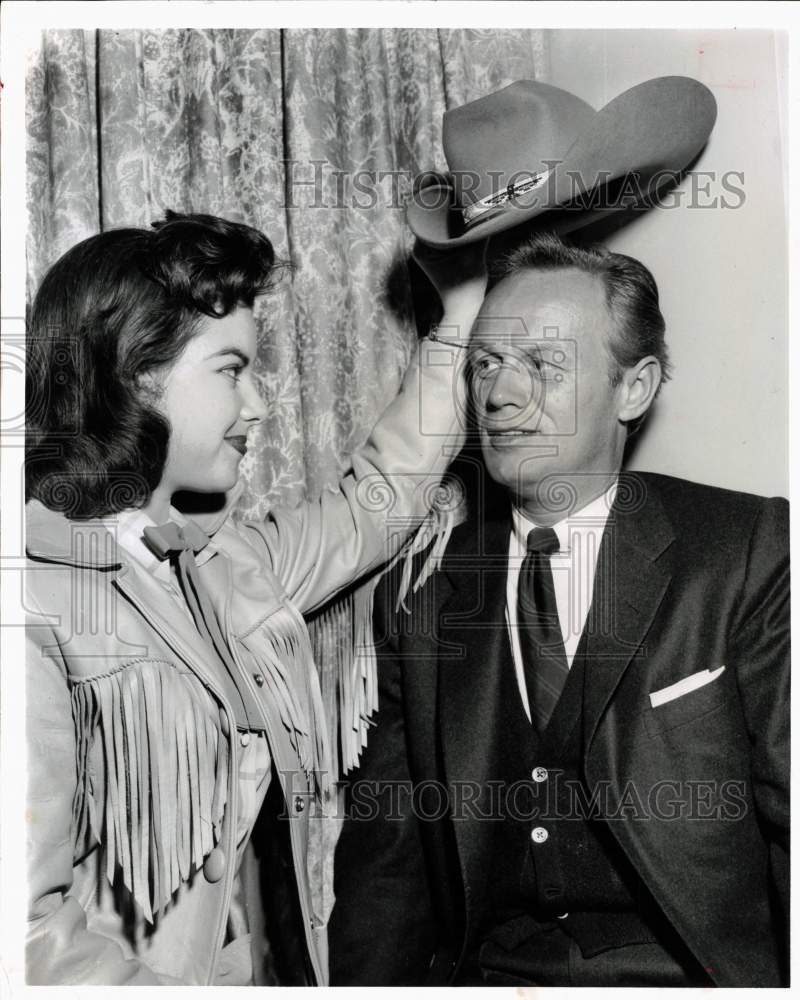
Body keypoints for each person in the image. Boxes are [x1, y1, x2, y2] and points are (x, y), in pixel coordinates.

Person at [24, 211, 486, 985]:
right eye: (231, 370)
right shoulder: (31, 602)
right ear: (137, 371)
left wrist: (460, 319)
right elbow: (26, 934)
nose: (259, 406)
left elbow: (373, 503)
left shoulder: (225, 562)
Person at [329, 233, 789, 987]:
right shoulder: (423, 594)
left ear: (633, 389)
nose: (501, 395)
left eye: (543, 364)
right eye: (485, 363)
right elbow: (389, 875)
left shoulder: (744, 552)